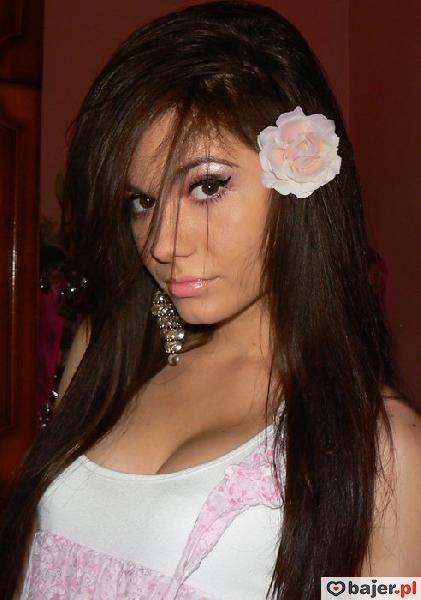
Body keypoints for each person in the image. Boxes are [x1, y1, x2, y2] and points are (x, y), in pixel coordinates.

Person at [1, 1, 421, 598]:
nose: (162, 244)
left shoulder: (381, 444)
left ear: (296, 182)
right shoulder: (105, 352)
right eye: (141, 202)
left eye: (206, 186)